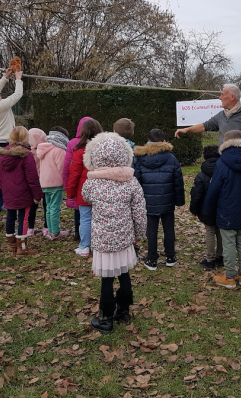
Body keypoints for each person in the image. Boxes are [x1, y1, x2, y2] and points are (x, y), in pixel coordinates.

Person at [175, 84, 241, 244]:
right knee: (218, 192)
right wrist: (186, 130)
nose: (220, 97)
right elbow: (205, 125)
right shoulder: (221, 115)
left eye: (222, 94)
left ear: (232, 97)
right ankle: (220, 227)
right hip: (222, 162)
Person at [81, 132, 147, 334]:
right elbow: (139, 211)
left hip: (103, 238)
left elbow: (86, 197)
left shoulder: (91, 183)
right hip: (124, 237)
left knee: (107, 279)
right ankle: (124, 310)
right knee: (124, 273)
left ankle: (106, 317)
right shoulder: (131, 182)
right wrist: (139, 233)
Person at [203, 130, 241, 289]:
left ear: (225, 142)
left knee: (228, 243)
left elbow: (214, 188)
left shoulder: (221, 162)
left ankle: (229, 277)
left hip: (226, 209)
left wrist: (207, 209)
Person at [134, 129, 185, 271]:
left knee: (151, 230)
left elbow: (137, 181)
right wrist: (179, 201)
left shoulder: (140, 158)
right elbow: (178, 181)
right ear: (163, 140)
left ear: (148, 140)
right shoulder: (171, 158)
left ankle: (152, 259)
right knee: (169, 229)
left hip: (148, 201)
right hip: (167, 199)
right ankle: (170, 256)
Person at [0, 126, 43, 256]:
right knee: (23, 217)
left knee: (10, 215)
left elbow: (0, 175)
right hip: (23, 191)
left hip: (8, 190)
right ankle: (22, 247)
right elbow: (32, 178)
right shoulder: (26, 156)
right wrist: (37, 195)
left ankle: (11, 244)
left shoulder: (2, 155)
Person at [66, 119, 103, 257]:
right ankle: (99, 245)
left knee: (86, 218)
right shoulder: (104, 149)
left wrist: (70, 192)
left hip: (84, 190)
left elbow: (74, 173)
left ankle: (85, 246)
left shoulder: (79, 151)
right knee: (100, 219)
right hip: (102, 189)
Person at [189, 145, 223, 270]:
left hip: (206, 208)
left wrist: (194, 210)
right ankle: (220, 256)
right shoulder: (224, 171)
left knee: (210, 232)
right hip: (221, 208)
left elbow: (196, 195)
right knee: (220, 232)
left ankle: (210, 258)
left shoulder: (201, 175)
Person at [37, 127, 70, 240]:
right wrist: (66, 181)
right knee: (55, 208)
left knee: (49, 207)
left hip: (45, 182)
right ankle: (55, 232)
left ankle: (50, 229)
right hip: (55, 183)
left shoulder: (43, 149)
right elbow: (62, 168)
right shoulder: (59, 151)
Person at [63, 116, 93, 241]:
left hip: (80, 183)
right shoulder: (100, 143)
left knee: (79, 208)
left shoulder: (73, 143)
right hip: (96, 182)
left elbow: (68, 165)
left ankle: (78, 232)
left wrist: (67, 186)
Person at [26, 128, 48, 236]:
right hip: (45, 180)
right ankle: (46, 227)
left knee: (32, 205)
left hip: (34, 182)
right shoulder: (47, 151)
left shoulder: (30, 154)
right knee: (47, 204)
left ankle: (30, 227)